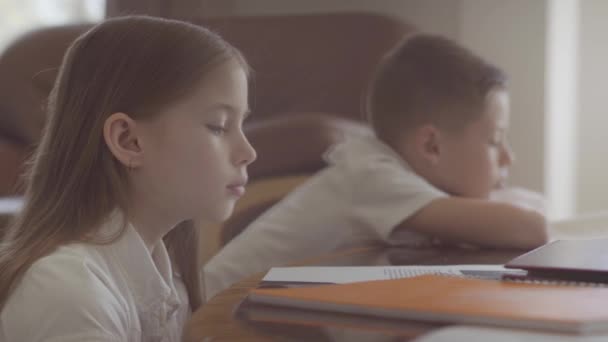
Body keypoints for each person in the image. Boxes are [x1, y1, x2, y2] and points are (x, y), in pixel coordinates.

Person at [203, 33, 549, 299]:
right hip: (213, 314)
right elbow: (530, 227)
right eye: (494, 140)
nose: (508, 157)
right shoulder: (373, 176)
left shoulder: (395, 176)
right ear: (431, 145)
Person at [0, 15, 256, 341]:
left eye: (241, 124)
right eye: (218, 125)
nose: (248, 152)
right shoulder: (68, 292)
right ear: (128, 141)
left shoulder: (168, 279)